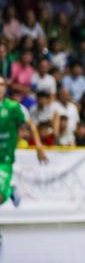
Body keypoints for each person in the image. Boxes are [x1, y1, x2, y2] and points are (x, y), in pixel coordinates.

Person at [0, 76, 48, 244]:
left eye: (1, 85)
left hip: (4, 159)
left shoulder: (13, 108)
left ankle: (9, 191)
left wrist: (39, 147)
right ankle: (11, 189)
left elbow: (30, 125)